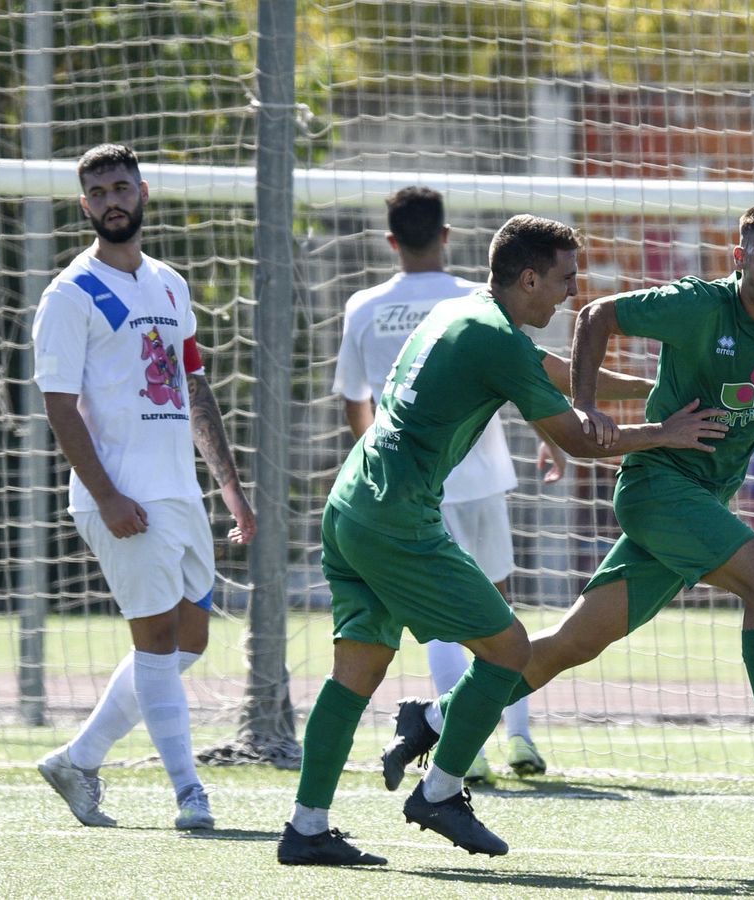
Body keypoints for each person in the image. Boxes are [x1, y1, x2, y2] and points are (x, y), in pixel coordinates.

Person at [379, 202, 754, 805]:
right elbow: (595, 314)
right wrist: (587, 407)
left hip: (699, 498)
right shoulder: (699, 304)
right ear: (741, 258)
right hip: (657, 488)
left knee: (572, 644)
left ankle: (430, 719)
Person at [278, 213, 722, 867]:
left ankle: (307, 828)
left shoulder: (465, 312)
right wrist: (665, 433)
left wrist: (658, 393)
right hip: (399, 518)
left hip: (353, 506)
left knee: (358, 669)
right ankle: (441, 791)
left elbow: (560, 371)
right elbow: (576, 436)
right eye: (567, 279)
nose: (573, 294)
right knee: (509, 649)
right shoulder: (497, 341)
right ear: (530, 277)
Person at [335, 187, 650, 784]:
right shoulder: (468, 302)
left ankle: (423, 761)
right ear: (447, 236)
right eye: (565, 280)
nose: (571, 293)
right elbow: (542, 382)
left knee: (430, 628)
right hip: (460, 482)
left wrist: (371, 461)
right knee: (500, 625)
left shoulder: (375, 306)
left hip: (392, 491)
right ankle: (496, 739)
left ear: (390, 240)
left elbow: (360, 401)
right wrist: (585, 432)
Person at [32, 143, 257, 831]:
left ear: (143, 192)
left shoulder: (169, 283)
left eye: (120, 187)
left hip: (180, 493)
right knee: (157, 639)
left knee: (189, 642)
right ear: (84, 206)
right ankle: (190, 793)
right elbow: (60, 404)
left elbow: (192, 382)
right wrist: (105, 495)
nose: (111, 202)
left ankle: (78, 758)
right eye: (97, 193)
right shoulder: (70, 295)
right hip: (122, 497)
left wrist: (229, 487)